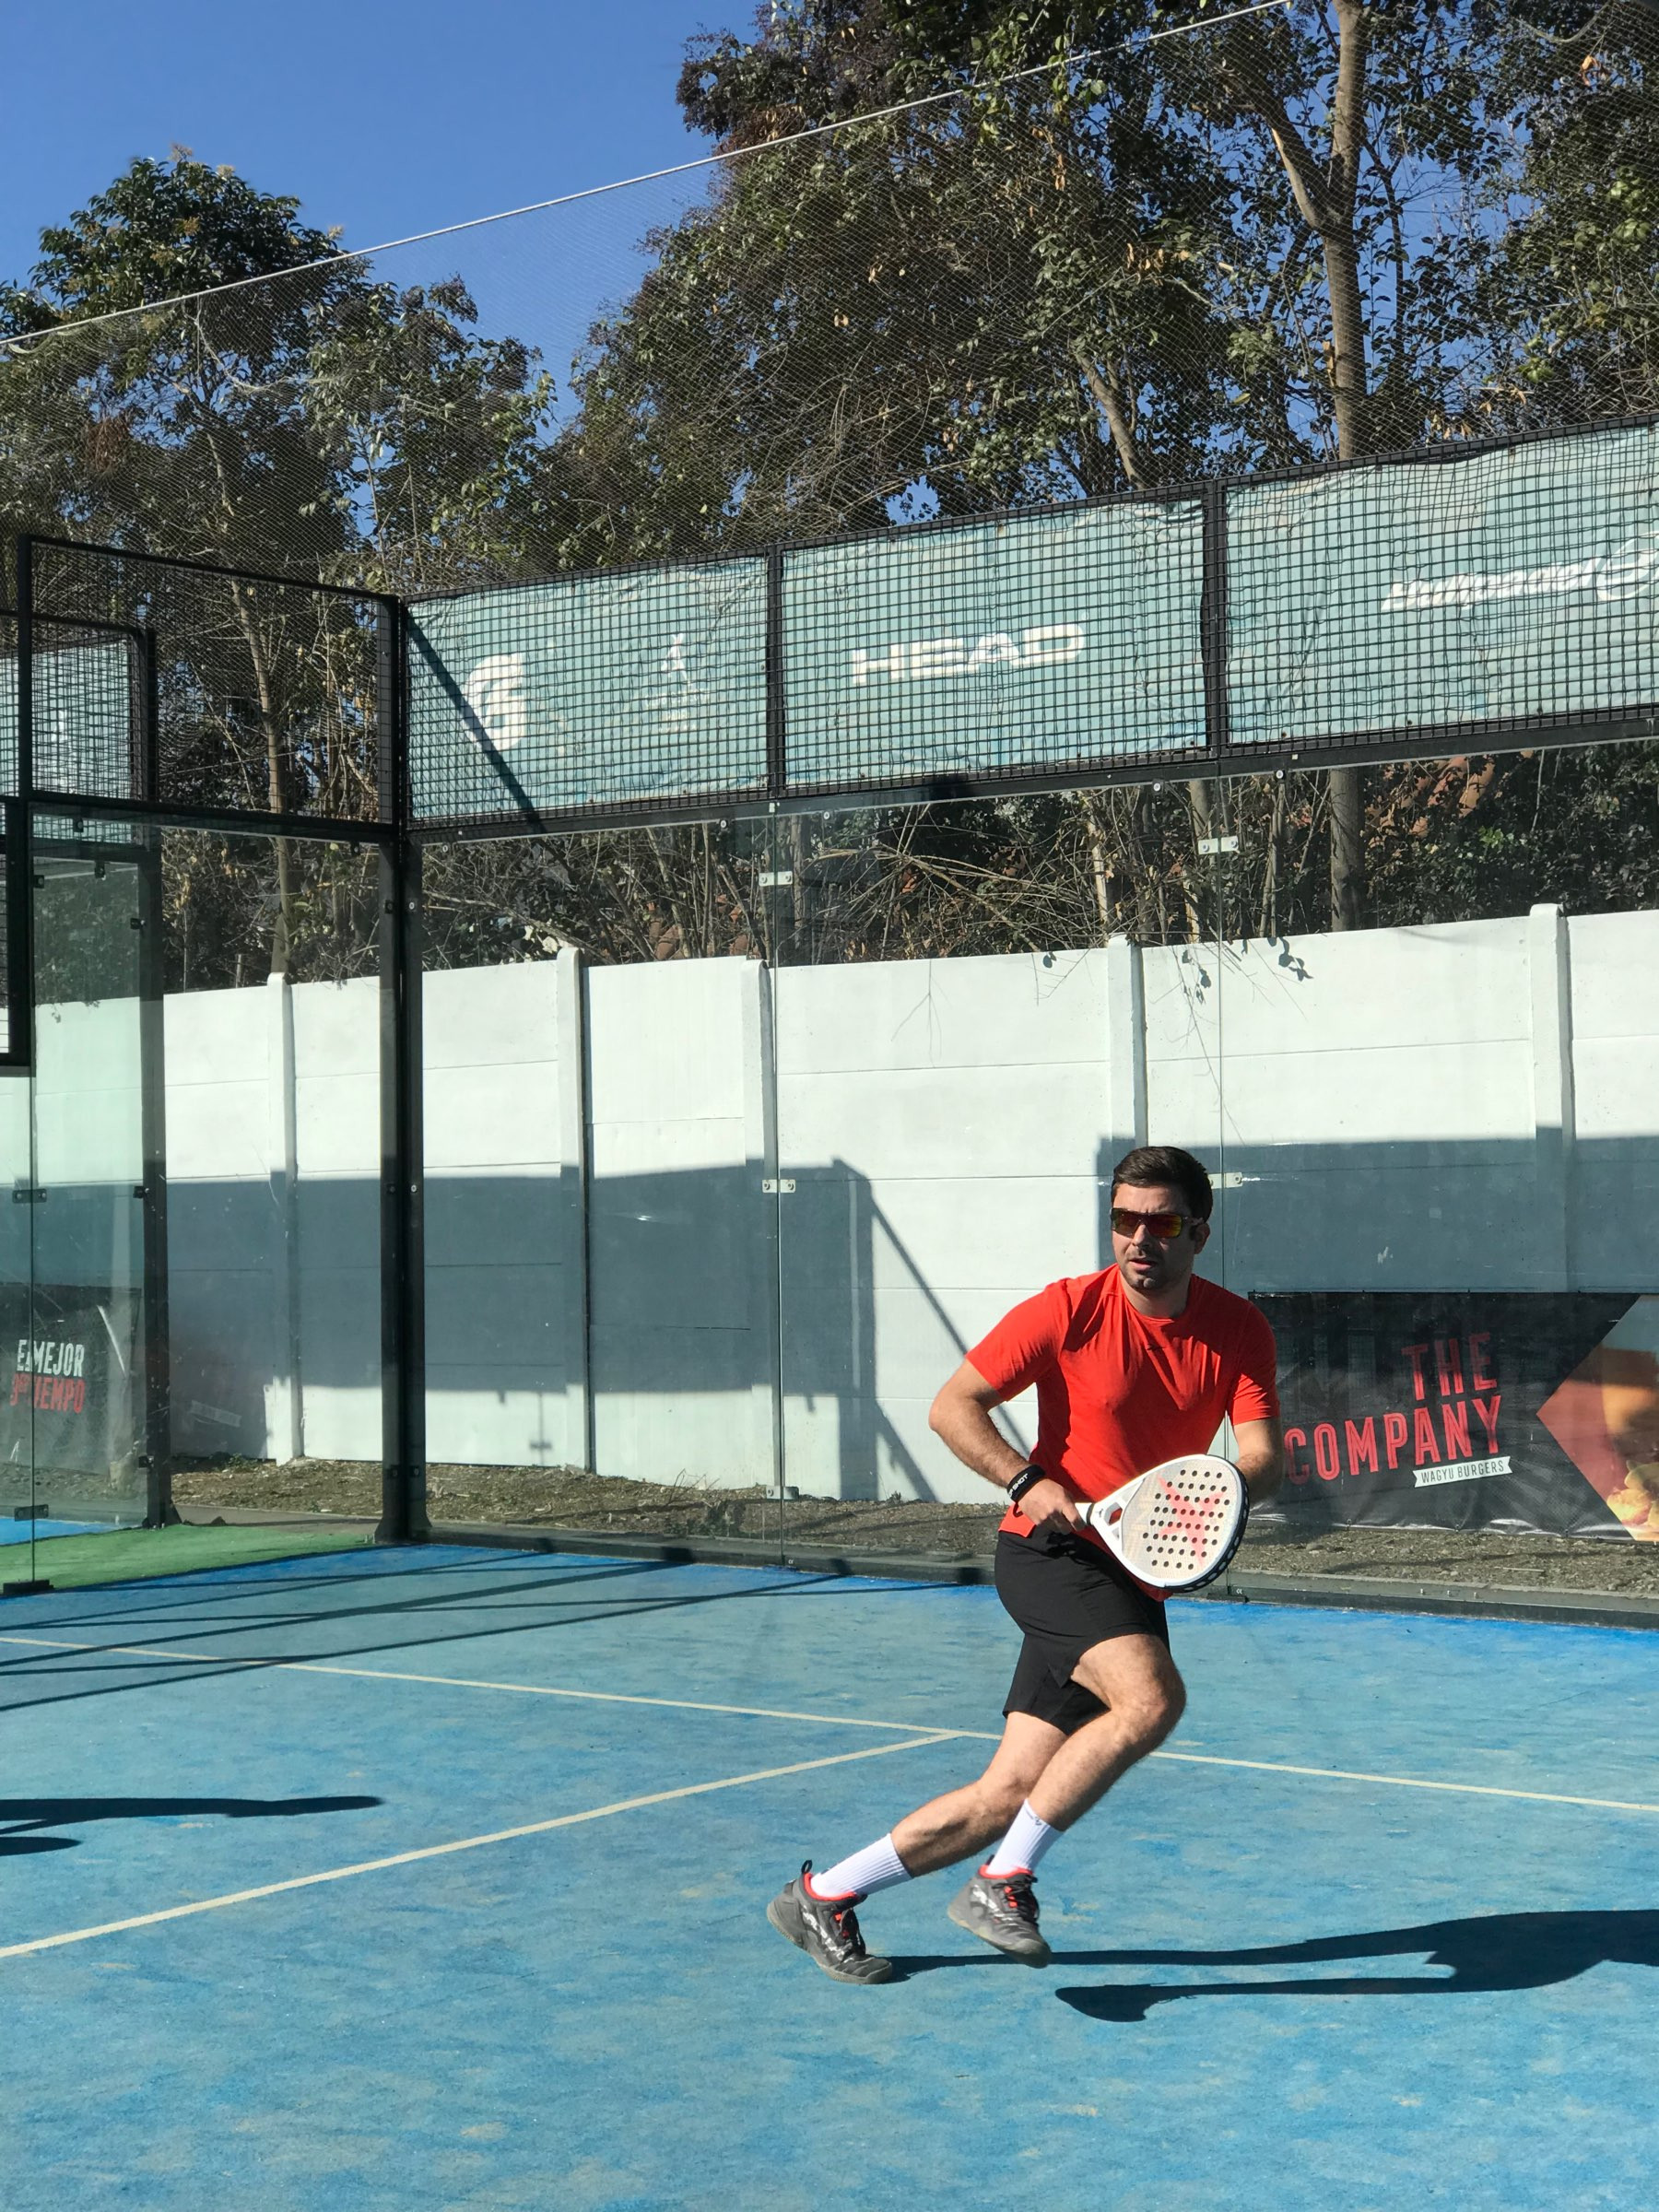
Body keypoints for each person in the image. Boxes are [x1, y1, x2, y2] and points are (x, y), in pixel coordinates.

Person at [767, 1145, 1282, 1983]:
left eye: (1162, 1224)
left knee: (1008, 1792)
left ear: (1199, 1233)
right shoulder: (1067, 1310)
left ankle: (823, 1896)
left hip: (1134, 1570)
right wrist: (1025, 1479)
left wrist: (1221, 1488)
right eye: (1124, 1220)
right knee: (1151, 1699)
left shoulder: (1238, 1329)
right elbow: (952, 1406)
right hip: (1049, 1553)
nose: (1139, 1239)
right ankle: (1002, 1881)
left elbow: (1262, 1452)